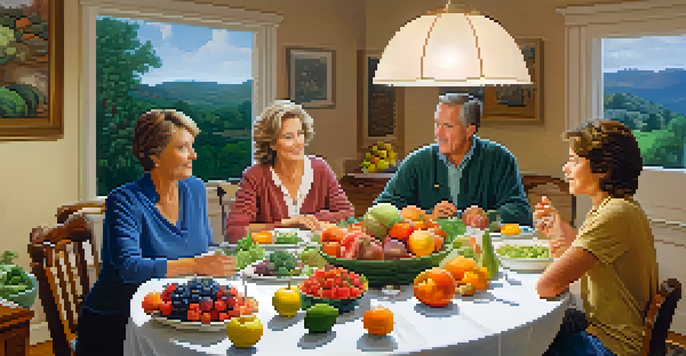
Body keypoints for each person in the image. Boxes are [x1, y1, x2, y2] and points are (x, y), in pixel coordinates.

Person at [75, 109, 236, 356]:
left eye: (192, 146)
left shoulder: (195, 189)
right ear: (155, 155)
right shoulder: (124, 200)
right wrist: (196, 264)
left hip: (172, 313)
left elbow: (204, 247)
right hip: (118, 321)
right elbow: (131, 268)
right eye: (182, 147)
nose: (193, 155)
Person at [535, 120, 659, 356]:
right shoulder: (617, 207)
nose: (565, 168)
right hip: (613, 330)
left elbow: (546, 286)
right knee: (551, 324)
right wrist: (560, 225)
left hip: (613, 345)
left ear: (603, 167)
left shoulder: (614, 214)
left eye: (574, 160)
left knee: (525, 345)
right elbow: (589, 261)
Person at [373, 93, 532, 225]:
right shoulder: (417, 162)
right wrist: (427, 216)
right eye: (437, 124)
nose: (439, 134)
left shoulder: (499, 159)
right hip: (429, 250)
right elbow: (379, 210)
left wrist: (487, 218)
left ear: (469, 130)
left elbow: (521, 212)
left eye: (448, 126)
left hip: (485, 250)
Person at [225, 100, 355, 243]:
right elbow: (235, 232)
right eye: (288, 137)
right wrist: (286, 223)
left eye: (300, 134)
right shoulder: (255, 176)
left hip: (316, 258)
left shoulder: (320, 169)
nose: (298, 142)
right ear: (272, 143)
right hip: (269, 261)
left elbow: (348, 216)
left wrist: (309, 220)